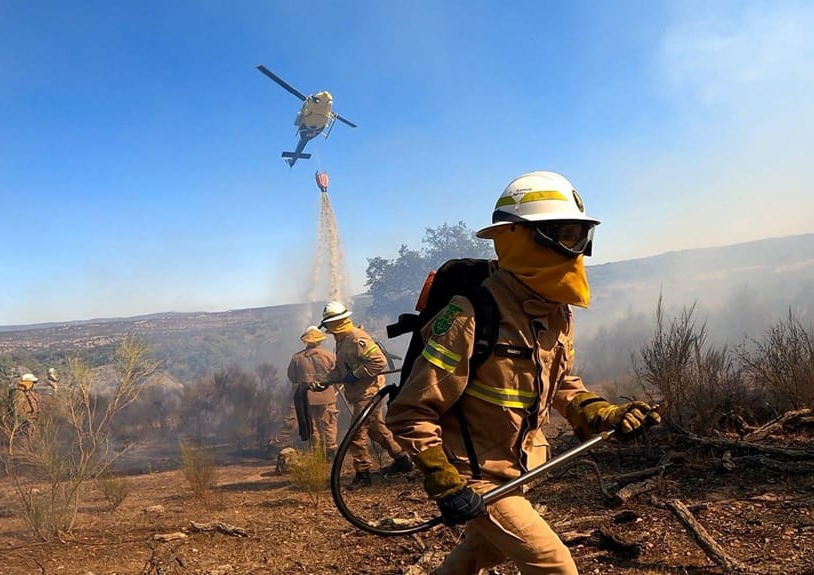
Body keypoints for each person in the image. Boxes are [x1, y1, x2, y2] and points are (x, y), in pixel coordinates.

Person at [386, 171, 661, 575]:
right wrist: (444, 481)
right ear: (519, 238)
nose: (575, 251)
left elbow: (560, 383)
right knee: (555, 566)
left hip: (519, 468)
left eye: (580, 237)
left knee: (484, 550)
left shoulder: (556, 312)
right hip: (476, 477)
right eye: (565, 235)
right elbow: (410, 412)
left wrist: (604, 414)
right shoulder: (470, 316)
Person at [318, 301, 413, 487]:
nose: (328, 329)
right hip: (359, 393)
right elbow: (340, 369)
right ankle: (402, 460)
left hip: (369, 393)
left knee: (356, 434)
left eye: (329, 324)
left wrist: (356, 374)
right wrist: (325, 381)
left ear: (335, 323)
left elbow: (378, 361)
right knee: (377, 431)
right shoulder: (342, 341)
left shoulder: (356, 338)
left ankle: (363, 474)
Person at [273, 326, 340, 458]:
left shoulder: (297, 357)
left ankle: (317, 452)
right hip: (327, 397)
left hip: (307, 398)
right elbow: (338, 374)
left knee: (312, 425)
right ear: (320, 340)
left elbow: (292, 377)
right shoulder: (330, 356)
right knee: (329, 423)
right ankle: (331, 450)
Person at [11, 372, 41, 441]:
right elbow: (17, 410)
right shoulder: (19, 393)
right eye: (32, 383)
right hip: (25, 422)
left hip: (32, 420)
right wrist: (25, 420)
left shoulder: (30, 392)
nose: (33, 385)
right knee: (25, 439)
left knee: (32, 438)